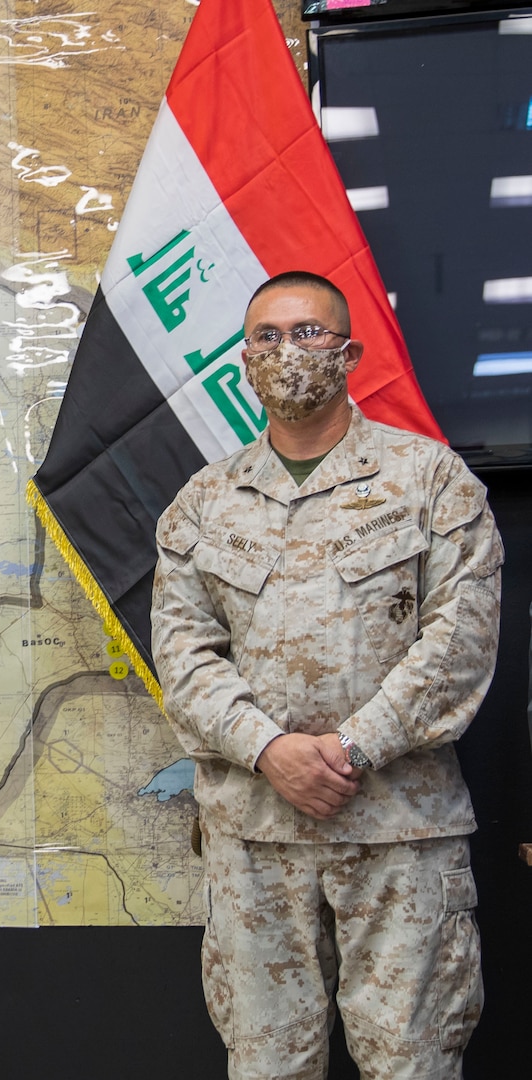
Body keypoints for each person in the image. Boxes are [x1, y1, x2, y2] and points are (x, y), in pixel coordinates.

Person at [151, 271, 502, 1079]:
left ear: (350, 352)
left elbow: (459, 643)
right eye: (267, 337)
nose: (287, 351)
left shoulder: (430, 481)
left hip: (399, 838)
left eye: (308, 333)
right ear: (244, 359)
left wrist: (350, 749)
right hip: (254, 842)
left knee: (412, 1063)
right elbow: (183, 654)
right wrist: (270, 749)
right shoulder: (204, 503)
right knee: (267, 1066)